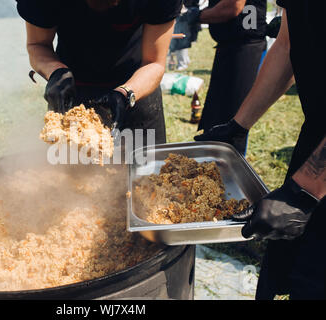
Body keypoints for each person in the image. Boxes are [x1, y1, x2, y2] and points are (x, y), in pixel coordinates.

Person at [195, 1, 326, 299]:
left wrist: (305, 189)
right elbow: (286, 45)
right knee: (284, 274)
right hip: (314, 142)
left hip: (317, 175)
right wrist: (239, 125)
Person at [17, 0, 183, 146]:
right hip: (71, 92)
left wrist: (125, 94)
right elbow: (38, 44)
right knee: (67, 178)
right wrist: (56, 72)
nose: (114, 4)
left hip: (137, 88)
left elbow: (154, 62)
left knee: (146, 178)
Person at [185, 0, 267, 154]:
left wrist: (195, 15)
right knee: (216, 121)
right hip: (230, 45)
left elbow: (231, 7)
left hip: (246, 46)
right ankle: (214, 163)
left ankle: (230, 168)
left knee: (233, 123)